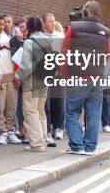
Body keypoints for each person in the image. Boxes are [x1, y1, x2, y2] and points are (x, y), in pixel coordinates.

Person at [62, 0, 110, 156]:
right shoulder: (105, 31)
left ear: (86, 11)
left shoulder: (73, 28)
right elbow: (107, 56)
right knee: (94, 113)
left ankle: (77, 146)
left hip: (78, 76)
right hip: (97, 77)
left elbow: (64, 53)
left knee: (73, 112)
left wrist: (64, 74)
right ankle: (90, 147)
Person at [16, 16, 57, 152]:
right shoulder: (51, 40)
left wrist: (18, 77)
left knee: (30, 111)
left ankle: (37, 143)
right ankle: (43, 139)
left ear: (29, 28)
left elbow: (27, 66)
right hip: (45, 80)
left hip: (32, 82)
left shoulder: (29, 42)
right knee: (40, 111)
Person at [0, 14, 21, 144]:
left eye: (4, 24)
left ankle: (11, 131)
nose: (3, 26)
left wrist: (18, 77)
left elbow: (16, 58)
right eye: (0, 24)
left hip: (11, 77)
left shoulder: (8, 39)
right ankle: (1, 132)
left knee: (11, 107)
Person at [42, 13, 65, 141]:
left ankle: (59, 128)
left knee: (59, 102)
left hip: (58, 74)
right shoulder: (39, 37)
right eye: (50, 21)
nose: (53, 23)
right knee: (46, 104)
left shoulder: (60, 37)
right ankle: (48, 130)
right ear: (44, 23)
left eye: (54, 21)